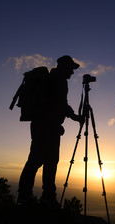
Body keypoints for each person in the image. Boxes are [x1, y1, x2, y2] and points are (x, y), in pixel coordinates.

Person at [17, 55, 83, 207]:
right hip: (48, 126)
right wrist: (75, 117)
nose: (72, 73)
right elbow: (61, 103)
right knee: (49, 161)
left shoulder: (51, 78)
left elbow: (53, 104)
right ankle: (47, 197)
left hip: (41, 124)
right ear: (64, 66)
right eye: (71, 69)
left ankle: (25, 194)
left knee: (37, 159)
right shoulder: (59, 80)